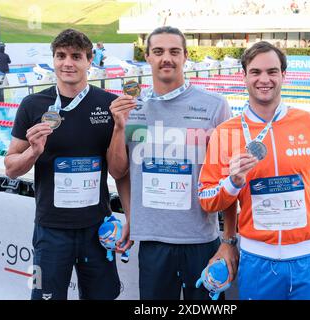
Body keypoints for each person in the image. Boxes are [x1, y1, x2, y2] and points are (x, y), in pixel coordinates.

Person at [198, 41, 310, 300]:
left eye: (272, 71)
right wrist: (233, 182)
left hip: (308, 260)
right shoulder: (225, 133)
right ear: (244, 77)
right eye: (256, 72)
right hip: (256, 261)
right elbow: (207, 199)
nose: (265, 79)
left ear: (284, 75)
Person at [108, 26, 239, 300]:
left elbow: (229, 178)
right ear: (147, 57)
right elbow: (119, 171)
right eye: (158, 51)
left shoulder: (215, 106)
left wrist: (228, 241)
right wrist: (119, 128)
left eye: (173, 51)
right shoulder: (132, 108)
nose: (166, 58)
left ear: (185, 56)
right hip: (154, 242)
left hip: (202, 241)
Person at [4, 29, 129, 300]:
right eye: (61, 56)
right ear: (53, 59)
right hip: (50, 230)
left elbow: (119, 170)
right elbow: (11, 167)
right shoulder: (32, 105)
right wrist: (33, 153)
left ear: (90, 59)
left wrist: (119, 128)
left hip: (97, 230)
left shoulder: (108, 105)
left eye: (76, 56)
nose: (67, 63)